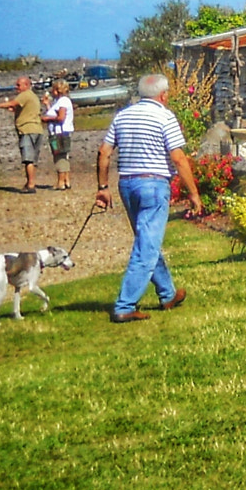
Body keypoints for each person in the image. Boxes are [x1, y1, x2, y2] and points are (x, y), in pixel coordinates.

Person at [95, 73, 204, 323]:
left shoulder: (122, 116)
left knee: (146, 240)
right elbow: (178, 158)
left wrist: (102, 186)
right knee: (146, 246)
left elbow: (104, 152)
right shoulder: (165, 116)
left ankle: (167, 294)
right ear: (163, 95)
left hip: (127, 184)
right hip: (154, 184)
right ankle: (125, 305)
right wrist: (194, 193)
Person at [0, 74, 46, 193]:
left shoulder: (25, 95)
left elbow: (12, 103)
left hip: (27, 130)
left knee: (28, 159)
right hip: (37, 130)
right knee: (32, 160)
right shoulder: (32, 96)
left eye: (18, 85)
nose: (16, 87)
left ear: (26, 85)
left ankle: (31, 185)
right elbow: (18, 108)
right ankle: (30, 182)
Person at [42, 79, 76, 191]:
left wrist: (46, 118)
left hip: (59, 133)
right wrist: (48, 105)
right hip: (60, 132)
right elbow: (54, 113)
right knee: (63, 156)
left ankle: (60, 182)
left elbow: (61, 117)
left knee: (59, 156)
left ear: (57, 90)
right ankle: (66, 180)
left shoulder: (63, 101)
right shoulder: (59, 101)